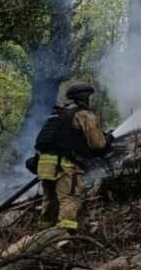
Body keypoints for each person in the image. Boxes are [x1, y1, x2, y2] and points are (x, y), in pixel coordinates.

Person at [33, 81, 111, 230]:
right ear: (84, 97)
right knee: (69, 198)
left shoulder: (56, 114)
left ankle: (44, 234)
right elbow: (98, 144)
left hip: (45, 164)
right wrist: (108, 138)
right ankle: (64, 235)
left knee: (50, 199)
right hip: (66, 164)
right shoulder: (83, 114)